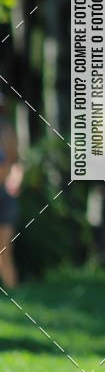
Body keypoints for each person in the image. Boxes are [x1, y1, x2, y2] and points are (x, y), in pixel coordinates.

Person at [0, 93, 23, 290]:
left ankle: (13, 295)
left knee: (4, 248)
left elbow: (14, 163)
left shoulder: (7, 131)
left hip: (4, 196)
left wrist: (16, 180)